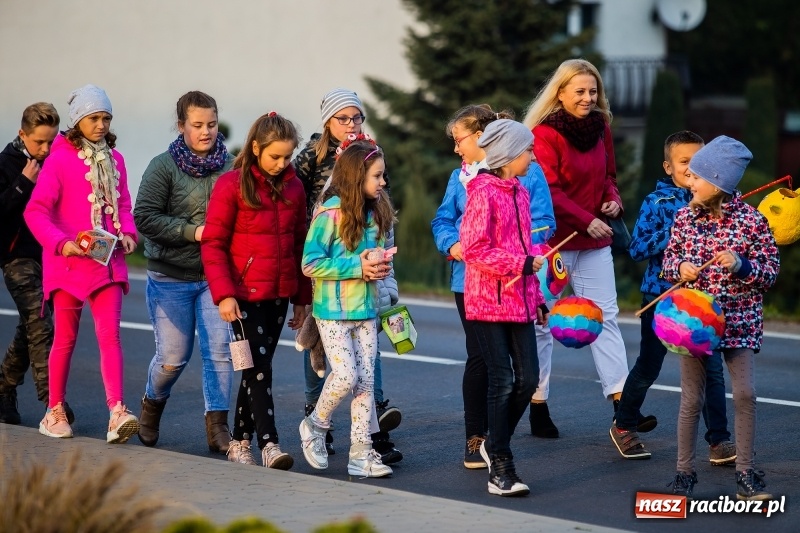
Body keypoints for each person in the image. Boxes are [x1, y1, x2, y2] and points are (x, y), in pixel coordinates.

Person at [432, 104, 556, 470]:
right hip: (473, 282)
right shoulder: (463, 180)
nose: (456, 148)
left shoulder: (527, 176)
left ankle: (496, 438)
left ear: (484, 137)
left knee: (518, 374)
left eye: (460, 139)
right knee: (483, 360)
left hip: (519, 282)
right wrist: (453, 243)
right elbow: (445, 222)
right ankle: (479, 437)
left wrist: (523, 254)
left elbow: (544, 221)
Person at [523, 58, 645, 425]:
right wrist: (587, 219)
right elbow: (550, 191)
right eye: (580, 91)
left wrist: (613, 200)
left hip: (594, 241)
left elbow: (610, 175)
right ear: (560, 93)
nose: (588, 98)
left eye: (593, 91)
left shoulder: (601, 127)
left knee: (605, 316)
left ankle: (622, 406)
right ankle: (538, 403)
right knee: (543, 322)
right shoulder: (543, 134)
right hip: (553, 243)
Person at [662, 135, 779, 500]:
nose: (689, 182)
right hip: (694, 326)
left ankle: (745, 472)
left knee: (745, 394)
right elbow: (669, 261)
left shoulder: (753, 222)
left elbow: (770, 272)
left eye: (696, 177)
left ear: (719, 182)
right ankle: (684, 472)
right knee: (691, 400)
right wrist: (680, 267)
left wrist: (743, 266)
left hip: (739, 322)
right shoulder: (684, 217)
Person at [23, 84, 140, 442]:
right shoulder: (58, 160)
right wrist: (63, 244)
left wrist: (129, 232)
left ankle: (116, 411)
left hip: (108, 263)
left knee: (110, 337)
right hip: (68, 265)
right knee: (65, 340)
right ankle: (54, 410)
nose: (101, 124)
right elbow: (36, 211)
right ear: (78, 121)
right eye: (94, 118)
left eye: (106, 118)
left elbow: (122, 207)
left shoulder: (115, 159)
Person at [610, 131, 736, 463]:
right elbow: (636, 248)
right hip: (661, 297)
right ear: (668, 167)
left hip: (702, 300)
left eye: (701, 161)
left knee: (710, 370)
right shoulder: (659, 203)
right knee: (649, 366)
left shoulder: (717, 199)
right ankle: (623, 425)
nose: (693, 168)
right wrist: (679, 227)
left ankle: (719, 440)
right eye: (685, 163)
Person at [293, 88, 402, 462]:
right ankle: (316, 424)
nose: (352, 124)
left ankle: (363, 452)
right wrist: (357, 266)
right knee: (342, 375)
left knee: (365, 381)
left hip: (367, 306)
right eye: (344, 118)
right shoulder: (326, 206)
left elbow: (384, 245)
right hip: (333, 304)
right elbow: (310, 261)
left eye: (358, 118)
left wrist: (385, 275)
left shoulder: (377, 208)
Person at [201, 112, 311, 470]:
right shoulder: (231, 185)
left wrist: (301, 298)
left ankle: (238, 441)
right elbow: (214, 244)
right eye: (274, 156)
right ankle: (270, 443)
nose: (281, 164)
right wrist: (224, 294)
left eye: (287, 157)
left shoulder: (295, 188)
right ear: (255, 148)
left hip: (279, 294)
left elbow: (299, 246)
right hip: (242, 295)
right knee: (258, 367)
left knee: (254, 366)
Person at [133, 91, 234, 454]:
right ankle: (151, 407)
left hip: (214, 277)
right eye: (197, 125)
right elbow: (143, 217)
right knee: (173, 358)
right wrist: (194, 232)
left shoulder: (231, 167)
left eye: (211, 124)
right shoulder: (163, 166)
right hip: (169, 277)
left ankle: (219, 429)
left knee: (220, 352)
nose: (206, 132)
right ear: (181, 126)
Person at [460, 119, 549, 497]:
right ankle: (501, 465)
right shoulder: (482, 193)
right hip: (486, 300)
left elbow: (528, 249)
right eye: (527, 150)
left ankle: (495, 442)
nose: (532, 156)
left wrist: (539, 296)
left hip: (521, 300)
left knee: (528, 380)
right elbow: (474, 249)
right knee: (504, 381)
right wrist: (519, 265)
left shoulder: (521, 191)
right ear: (508, 155)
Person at [0, 103, 63, 425]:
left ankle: (4, 387)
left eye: (51, 141)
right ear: (22, 134)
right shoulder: (5, 164)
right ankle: (53, 403)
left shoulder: (54, 160)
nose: (46, 148)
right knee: (40, 321)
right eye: (39, 142)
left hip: (50, 254)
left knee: (30, 325)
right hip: (16, 257)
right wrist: (23, 182)